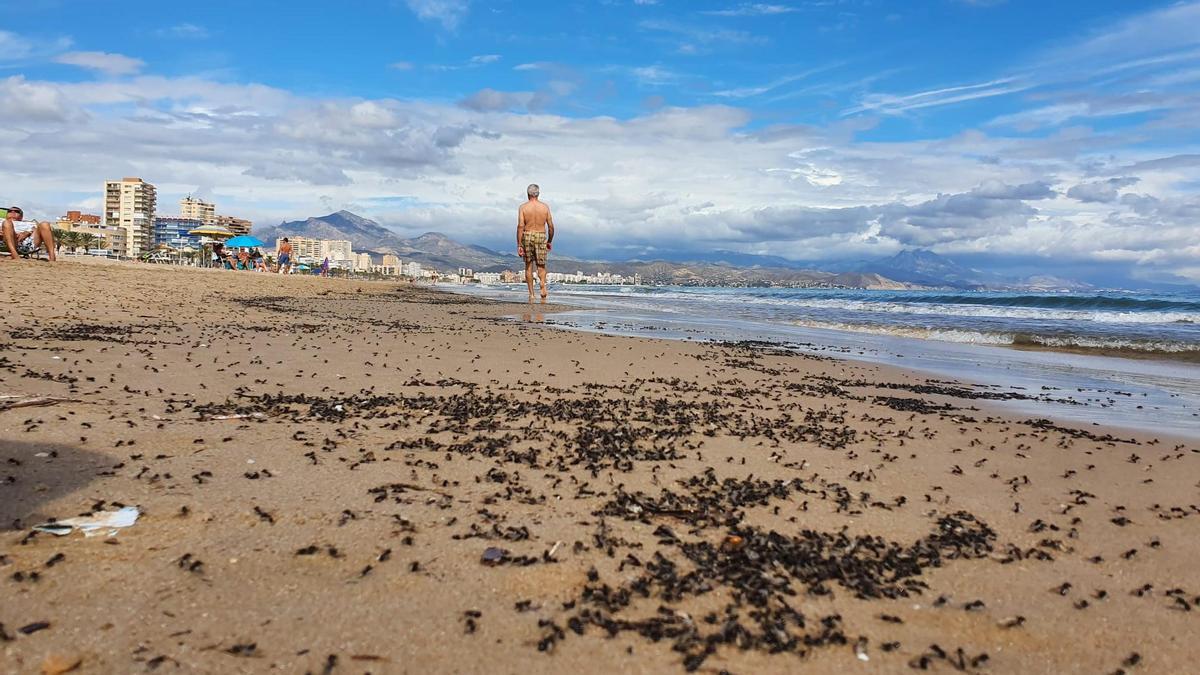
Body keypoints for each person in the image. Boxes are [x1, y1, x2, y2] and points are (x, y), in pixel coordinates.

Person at [516, 184, 554, 300]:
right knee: (541, 265)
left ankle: (531, 294)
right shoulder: (545, 207)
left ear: (528, 194)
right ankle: (542, 283)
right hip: (541, 235)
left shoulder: (523, 207)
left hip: (527, 234)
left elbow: (520, 226)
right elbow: (551, 226)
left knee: (528, 265)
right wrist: (549, 241)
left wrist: (519, 244)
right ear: (538, 194)